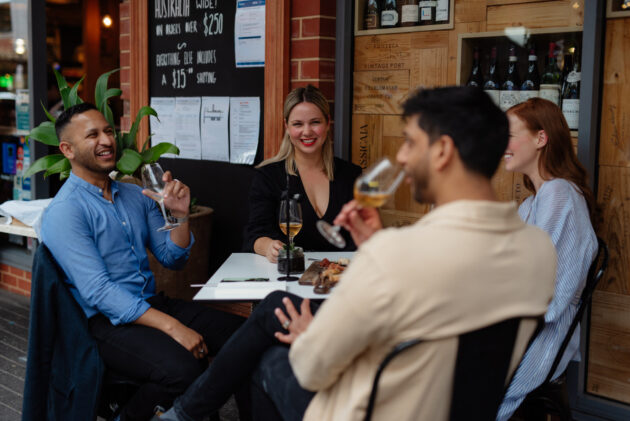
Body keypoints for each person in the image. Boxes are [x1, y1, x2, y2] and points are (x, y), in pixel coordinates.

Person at [154, 86, 558, 421]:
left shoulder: (401, 255)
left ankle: (183, 414)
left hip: (366, 411)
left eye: (410, 143)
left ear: (442, 151)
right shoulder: (539, 250)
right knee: (274, 312)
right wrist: (376, 248)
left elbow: (314, 366)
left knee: (261, 352)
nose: (400, 157)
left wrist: (311, 336)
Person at [41, 103, 244, 421]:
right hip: (105, 323)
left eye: (108, 131)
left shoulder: (135, 195)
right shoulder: (66, 211)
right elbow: (99, 292)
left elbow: (172, 259)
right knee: (184, 369)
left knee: (245, 336)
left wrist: (179, 216)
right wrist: (174, 328)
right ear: (67, 149)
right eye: (92, 135)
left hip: (151, 304)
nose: (106, 140)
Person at [496, 98, 598, 420]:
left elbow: (544, 295)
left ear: (541, 139)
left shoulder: (560, 195)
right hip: (520, 328)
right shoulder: (533, 203)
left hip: (538, 340)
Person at [243, 84, 362, 262]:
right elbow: (255, 234)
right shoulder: (268, 176)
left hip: (339, 275)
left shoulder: (351, 174)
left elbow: (363, 234)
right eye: (298, 124)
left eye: (315, 122)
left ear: (327, 123)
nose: (307, 131)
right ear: (287, 127)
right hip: (288, 275)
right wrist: (269, 246)